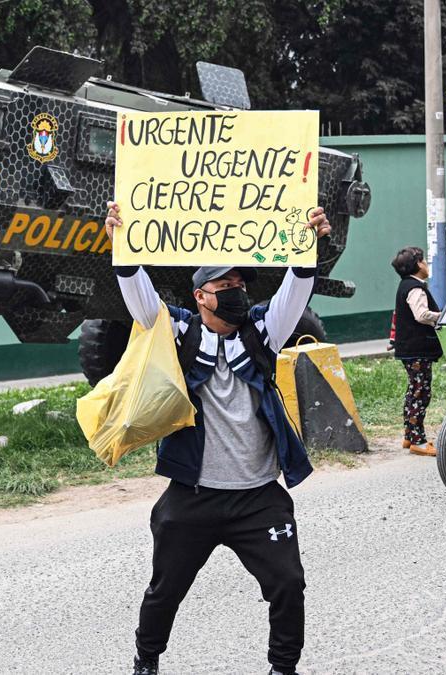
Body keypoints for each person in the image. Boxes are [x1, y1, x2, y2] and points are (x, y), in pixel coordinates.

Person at [105, 201, 330, 675]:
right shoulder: (180, 331)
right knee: (165, 589)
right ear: (200, 296)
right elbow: (139, 297)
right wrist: (122, 244)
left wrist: (310, 240)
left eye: (239, 284)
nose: (236, 292)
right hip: (193, 497)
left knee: (289, 584)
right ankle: (146, 661)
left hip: (258, 498)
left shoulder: (263, 331)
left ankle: (283, 668)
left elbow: (297, 286)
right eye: (224, 286)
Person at [391, 246, 442, 456]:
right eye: (423, 261)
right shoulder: (415, 288)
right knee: (421, 393)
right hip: (417, 348)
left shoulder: (406, 285)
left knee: (413, 391)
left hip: (409, 349)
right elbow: (421, 315)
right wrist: (441, 315)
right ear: (417, 265)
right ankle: (418, 441)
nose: (426, 265)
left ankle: (408, 435)